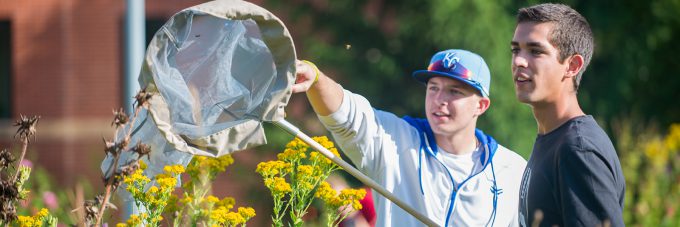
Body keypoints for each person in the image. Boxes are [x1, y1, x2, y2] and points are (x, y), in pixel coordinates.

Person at [293, 49, 527, 226]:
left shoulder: (513, 170)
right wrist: (316, 79)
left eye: (455, 91)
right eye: (433, 88)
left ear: (481, 105)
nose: (439, 99)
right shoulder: (396, 139)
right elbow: (346, 116)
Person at [510, 3, 626, 227]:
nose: (518, 61)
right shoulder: (552, 139)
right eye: (516, 50)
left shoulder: (577, 150)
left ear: (572, 65)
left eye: (536, 51)